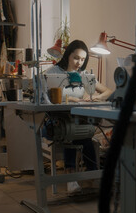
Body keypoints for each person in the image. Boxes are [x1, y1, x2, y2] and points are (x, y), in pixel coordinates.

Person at [44, 40, 112, 193]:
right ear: (68, 55)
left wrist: (96, 98)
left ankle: (89, 175)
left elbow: (108, 91)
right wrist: (71, 99)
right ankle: (74, 176)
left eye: (82, 59)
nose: (79, 62)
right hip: (58, 121)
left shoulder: (84, 75)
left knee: (85, 134)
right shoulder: (53, 72)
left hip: (78, 120)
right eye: (76, 58)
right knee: (73, 132)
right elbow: (46, 96)